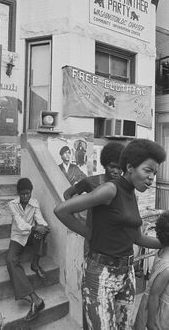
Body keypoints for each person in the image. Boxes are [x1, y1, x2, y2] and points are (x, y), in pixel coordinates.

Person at [54, 138, 166, 330]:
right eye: (147, 170)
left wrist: (165, 241)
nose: (151, 178)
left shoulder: (131, 193)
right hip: (101, 274)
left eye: (154, 173)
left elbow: (137, 238)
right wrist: (89, 234)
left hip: (127, 273)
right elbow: (61, 210)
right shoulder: (110, 189)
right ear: (130, 167)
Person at [63, 141, 124, 330]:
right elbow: (68, 194)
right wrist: (81, 218)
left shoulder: (123, 185)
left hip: (114, 242)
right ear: (105, 164)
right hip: (92, 240)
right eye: (113, 167)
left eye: (120, 168)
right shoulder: (91, 182)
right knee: (91, 288)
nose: (116, 172)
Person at [6, 178, 50, 321]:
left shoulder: (34, 203)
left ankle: (35, 264)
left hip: (31, 236)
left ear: (31, 193)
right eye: (23, 194)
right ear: (18, 193)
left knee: (41, 233)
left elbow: (39, 218)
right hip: (18, 236)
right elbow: (19, 224)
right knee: (10, 260)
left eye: (28, 194)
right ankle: (35, 298)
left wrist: (44, 227)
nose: (26, 197)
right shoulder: (12, 204)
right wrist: (34, 227)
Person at [135, 211, 169, 330]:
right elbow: (154, 296)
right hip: (158, 316)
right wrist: (150, 324)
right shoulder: (167, 268)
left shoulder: (163, 249)